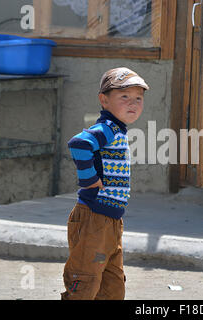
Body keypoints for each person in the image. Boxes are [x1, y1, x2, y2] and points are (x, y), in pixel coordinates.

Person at [61, 67, 149, 300]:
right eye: (124, 97)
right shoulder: (106, 129)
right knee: (85, 282)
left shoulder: (117, 131)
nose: (133, 103)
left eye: (138, 98)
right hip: (94, 217)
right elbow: (78, 143)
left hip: (111, 222)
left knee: (112, 287)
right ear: (104, 100)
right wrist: (89, 178)